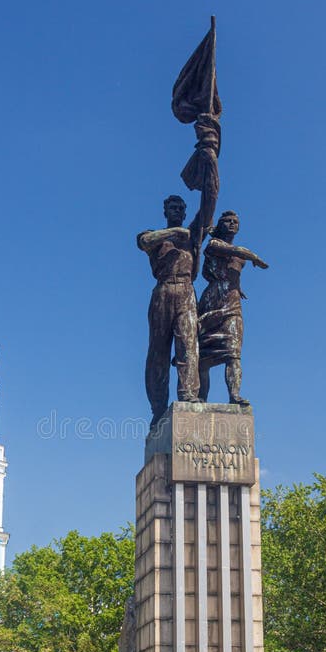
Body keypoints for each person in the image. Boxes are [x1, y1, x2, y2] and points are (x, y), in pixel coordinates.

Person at [138, 117, 219, 427]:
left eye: (180, 210)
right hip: (162, 293)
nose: (177, 213)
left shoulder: (193, 232)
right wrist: (173, 234)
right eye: (172, 209)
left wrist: (209, 155)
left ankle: (187, 396)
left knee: (189, 344)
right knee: (158, 352)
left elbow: (210, 198)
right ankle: (158, 409)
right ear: (165, 212)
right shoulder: (155, 236)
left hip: (186, 291)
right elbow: (144, 241)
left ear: (185, 213)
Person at [197, 211, 268, 405]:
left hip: (233, 301)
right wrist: (255, 257)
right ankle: (201, 397)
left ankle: (234, 395)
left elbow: (232, 272)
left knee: (233, 352)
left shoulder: (239, 256)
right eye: (227, 221)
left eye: (235, 222)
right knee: (203, 356)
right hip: (213, 301)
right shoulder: (214, 245)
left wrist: (238, 287)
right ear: (219, 226)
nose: (231, 224)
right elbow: (236, 252)